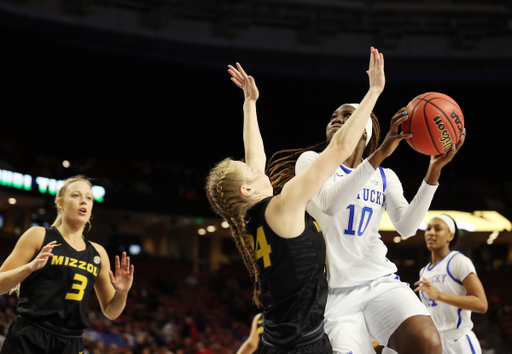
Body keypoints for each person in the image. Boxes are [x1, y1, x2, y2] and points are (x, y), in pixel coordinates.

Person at [205, 47, 385, 353]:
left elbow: (255, 155)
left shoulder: (254, 216)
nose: (254, 165)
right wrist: (374, 91)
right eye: (248, 170)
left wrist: (250, 105)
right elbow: (340, 148)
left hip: (285, 341)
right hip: (300, 346)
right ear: (247, 189)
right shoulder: (282, 206)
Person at [266, 84, 466, 354]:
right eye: (334, 116)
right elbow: (329, 205)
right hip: (334, 293)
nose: (337, 119)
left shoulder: (385, 176)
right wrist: (381, 152)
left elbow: (406, 228)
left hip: (379, 281)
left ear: (364, 129)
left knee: (427, 343)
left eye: (347, 115)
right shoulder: (311, 161)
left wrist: (433, 172)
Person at [0, 176, 134, 354]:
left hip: (71, 343)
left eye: (88, 198)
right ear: (60, 203)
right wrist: (29, 268)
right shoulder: (38, 235)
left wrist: (122, 293)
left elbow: (111, 312)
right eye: (76, 195)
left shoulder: (98, 253)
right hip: (30, 336)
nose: (83, 201)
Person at [414, 214, 487, 354]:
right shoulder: (423, 272)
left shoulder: (459, 261)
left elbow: (481, 304)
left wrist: (439, 295)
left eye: (438, 229)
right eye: (428, 229)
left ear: (450, 236)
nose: (431, 233)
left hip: (459, 341)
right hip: (435, 342)